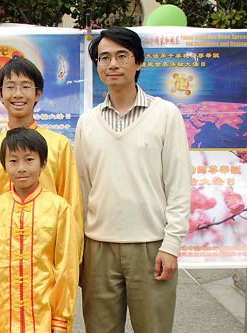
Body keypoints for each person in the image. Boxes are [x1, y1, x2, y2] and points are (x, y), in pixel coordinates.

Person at [75, 27, 191, 333]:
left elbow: (179, 185)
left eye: (121, 56)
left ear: (138, 62)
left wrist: (171, 245)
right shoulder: (87, 122)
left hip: (151, 246)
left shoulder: (166, 115)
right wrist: (80, 250)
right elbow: (83, 190)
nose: (112, 64)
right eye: (104, 58)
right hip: (98, 247)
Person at [0, 127, 79, 333]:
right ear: (4, 166)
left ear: (43, 164)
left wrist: (59, 319)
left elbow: (66, 266)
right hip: (5, 318)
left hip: (44, 319)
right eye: (13, 161)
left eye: (29, 160)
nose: (21, 168)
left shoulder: (59, 208)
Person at [0, 56, 83, 259]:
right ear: (0, 94)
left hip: (45, 258)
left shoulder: (58, 145)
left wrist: (72, 257)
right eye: (10, 87)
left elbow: (72, 203)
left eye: (25, 87)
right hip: (2, 259)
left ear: (38, 93)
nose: (18, 94)